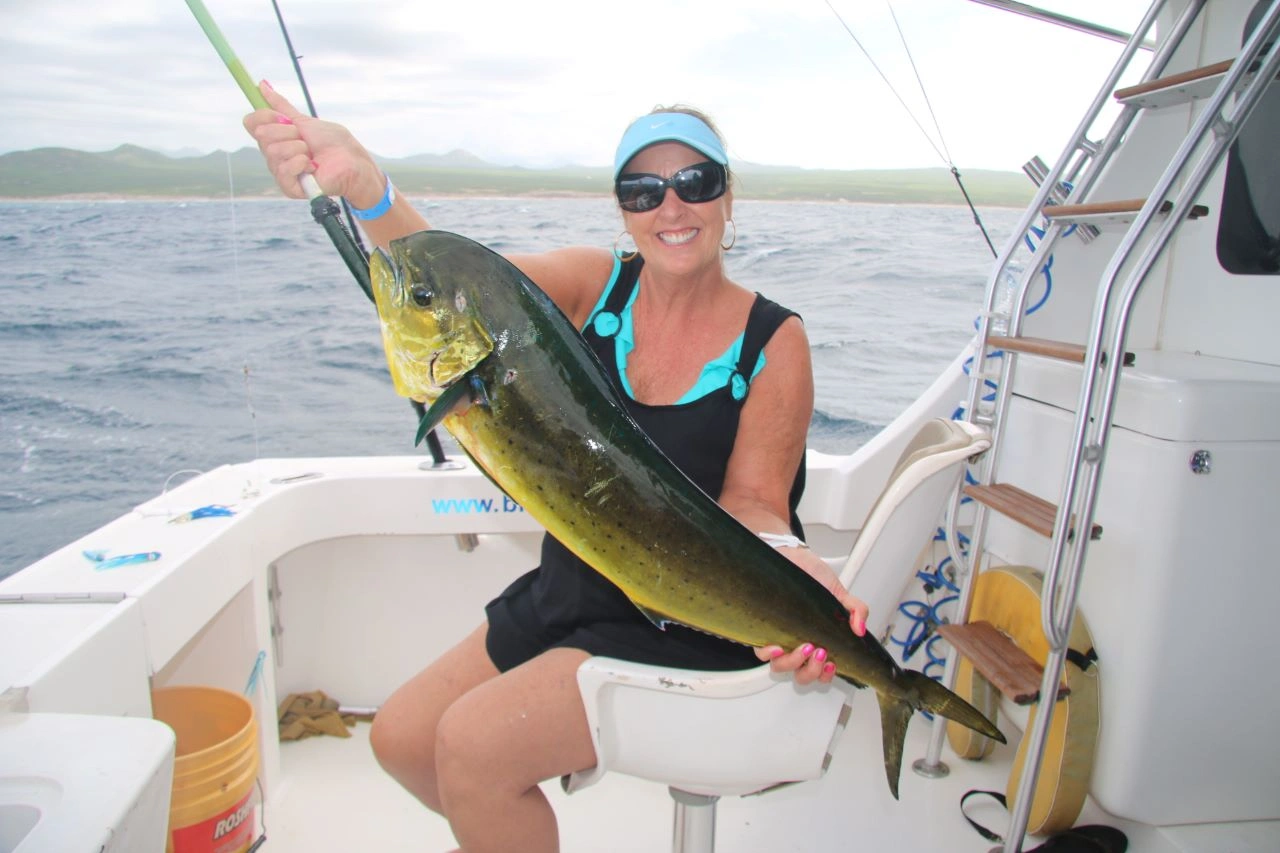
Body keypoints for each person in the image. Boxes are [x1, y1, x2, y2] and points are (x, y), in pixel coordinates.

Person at [244, 82, 869, 853]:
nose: (670, 207)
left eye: (694, 183)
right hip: (570, 585)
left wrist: (792, 564)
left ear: (728, 196)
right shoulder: (593, 284)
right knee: (402, 739)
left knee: (472, 750)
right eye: (643, 190)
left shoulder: (774, 341)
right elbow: (466, 290)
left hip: (688, 611)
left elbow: (755, 502)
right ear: (623, 209)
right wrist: (368, 188)